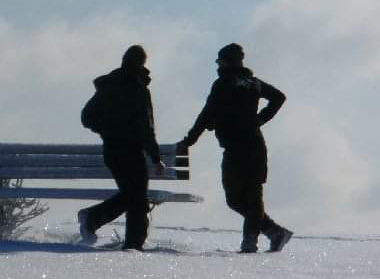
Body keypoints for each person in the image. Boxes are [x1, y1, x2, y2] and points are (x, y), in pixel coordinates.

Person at [177, 43, 293, 253]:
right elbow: (279, 97)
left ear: (226, 62)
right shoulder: (252, 83)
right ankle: (274, 232)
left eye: (219, 60)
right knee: (244, 198)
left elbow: (206, 115)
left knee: (242, 198)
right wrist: (259, 120)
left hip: (237, 148)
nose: (217, 64)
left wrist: (188, 141)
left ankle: (250, 242)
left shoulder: (223, 84)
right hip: (254, 146)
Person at [77, 45, 166, 251]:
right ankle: (129, 243)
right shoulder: (139, 89)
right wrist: (155, 157)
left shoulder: (109, 86)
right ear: (142, 63)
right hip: (132, 151)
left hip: (112, 150)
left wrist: (106, 131)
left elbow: (87, 117)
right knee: (136, 198)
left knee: (133, 196)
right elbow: (147, 128)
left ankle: (99, 223)